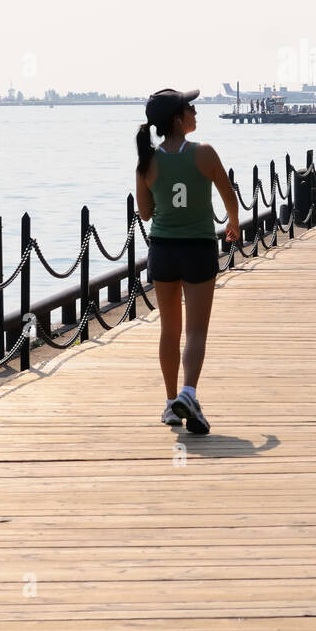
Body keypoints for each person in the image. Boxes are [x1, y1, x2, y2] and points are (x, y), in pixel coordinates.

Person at [135, 87, 241, 433]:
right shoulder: (205, 153)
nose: (195, 113)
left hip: (163, 251)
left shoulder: (146, 161)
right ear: (178, 119)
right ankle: (189, 393)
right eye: (190, 109)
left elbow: (146, 213)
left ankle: (170, 404)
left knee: (169, 330)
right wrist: (234, 224)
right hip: (197, 249)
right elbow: (229, 198)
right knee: (196, 331)